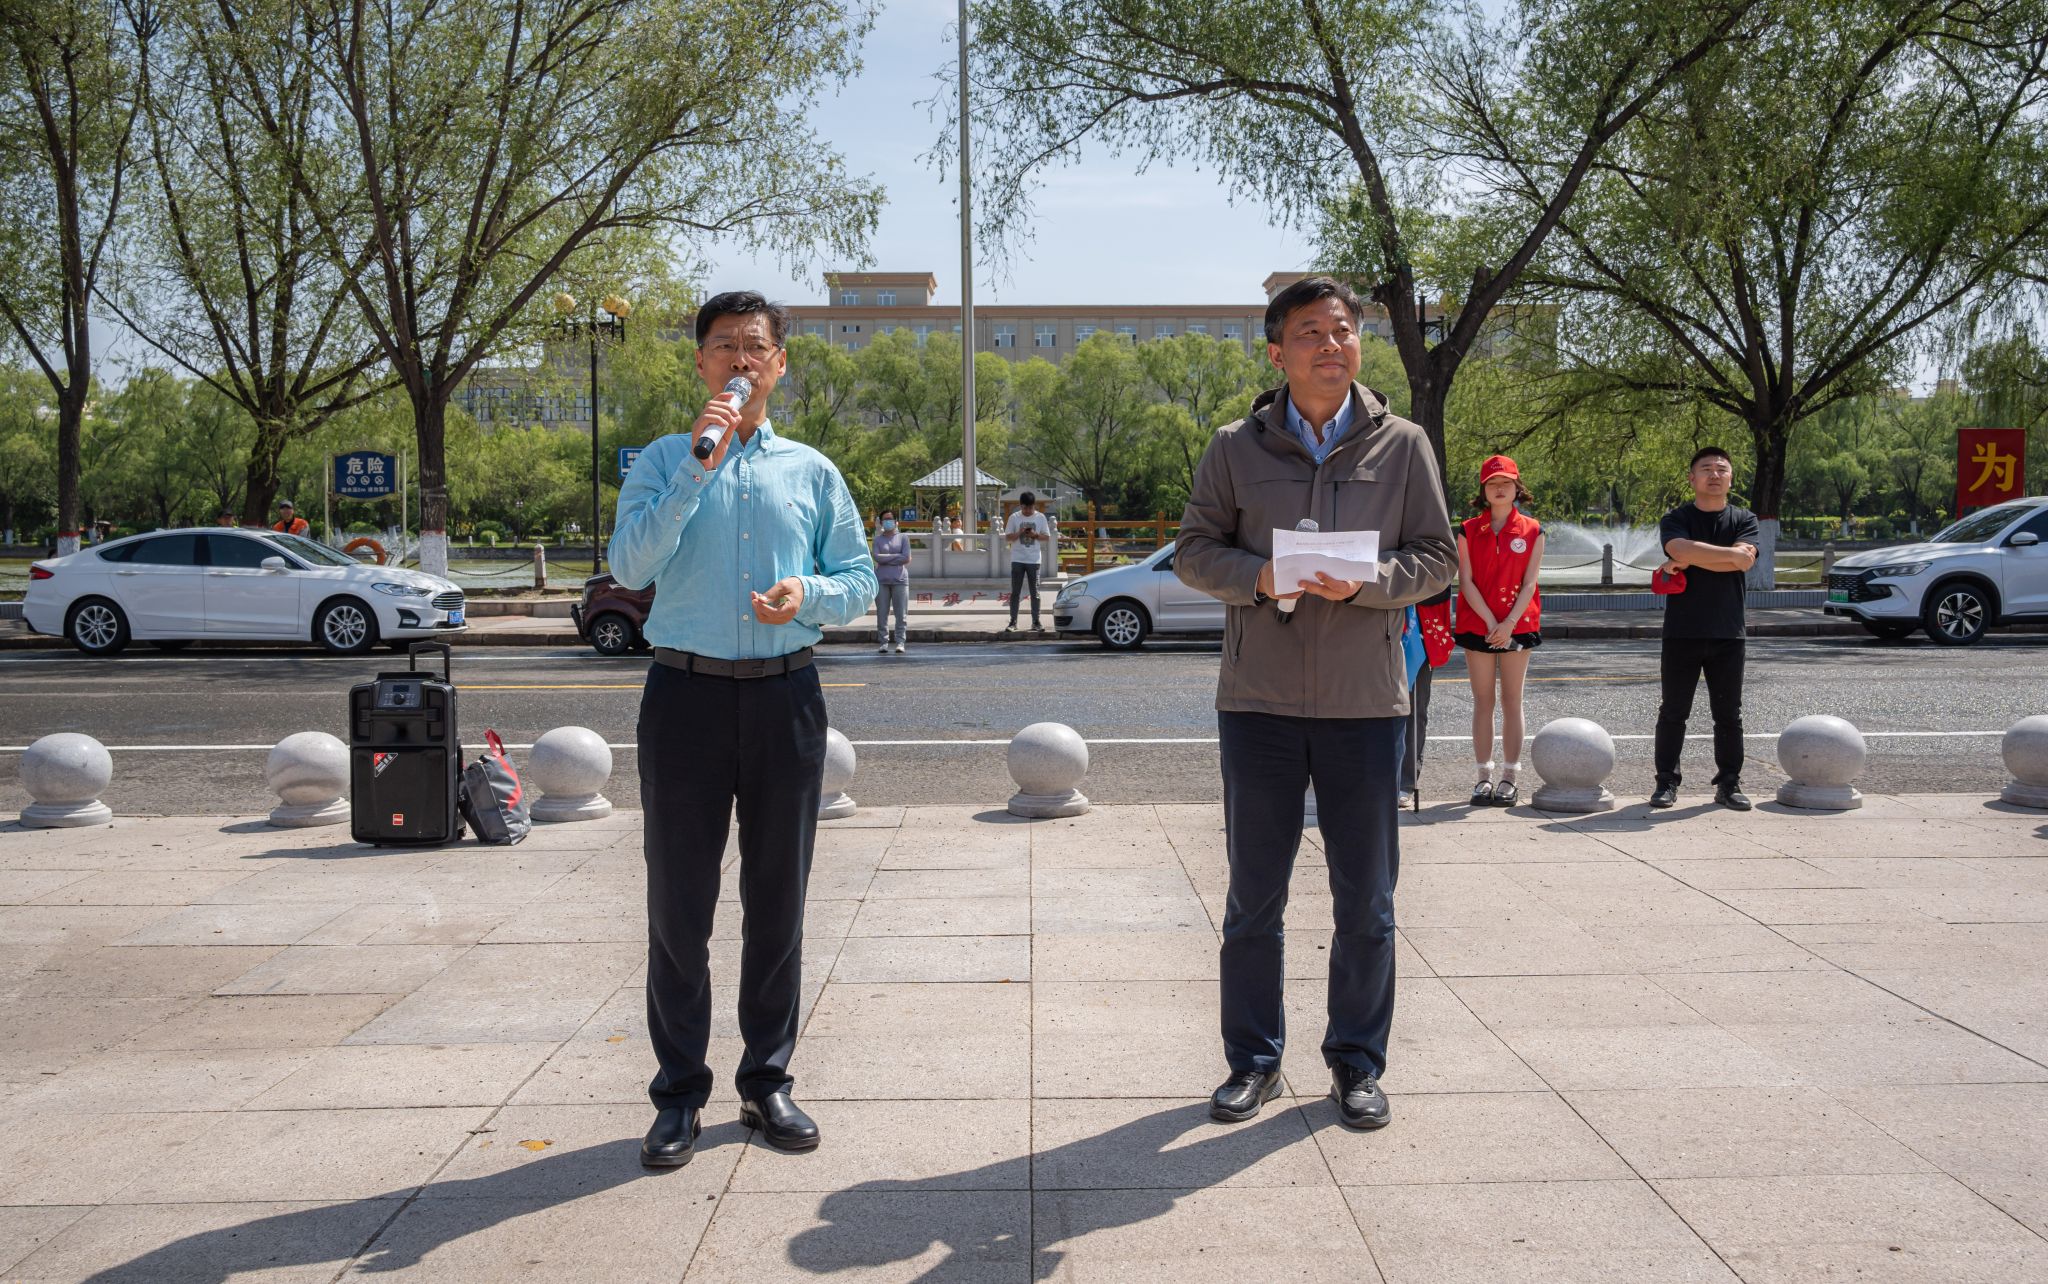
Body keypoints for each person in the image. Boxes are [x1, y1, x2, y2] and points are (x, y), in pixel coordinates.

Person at [1175, 275, 1454, 1132]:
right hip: (1257, 702)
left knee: (1366, 900)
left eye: (1343, 331)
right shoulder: (1235, 447)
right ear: (1277, 353)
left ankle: (1357, 1063)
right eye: (1310, 333)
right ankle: (1253, 1063)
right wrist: (1259, 576)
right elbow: (1193, 551)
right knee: (1253, 900)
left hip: (1365, 703)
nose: (1331, 345)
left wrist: (1369, 582)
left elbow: (1438, 558)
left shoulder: (1402, 445)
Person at [608, 290, 876, 1168]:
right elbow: (630, 565)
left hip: (784, 699)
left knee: (778, 902)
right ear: (700, 363)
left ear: (779, 364)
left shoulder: (812, 471)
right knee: (678, 908)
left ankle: (767, 1081)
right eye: (723, 346)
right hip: (683, 697)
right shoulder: (663, 459)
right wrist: (699, 465)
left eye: (755, 347)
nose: (739, 360)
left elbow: (859, 578)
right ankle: (679, 1093)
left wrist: (811, 595)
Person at [1652, 446, 1760, 810]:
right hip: (1682, 631)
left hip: (1729, 631)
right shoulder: (1676, 517)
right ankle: (1666, 782)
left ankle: (1729, 784)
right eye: (1706, 468)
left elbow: (1742, 561)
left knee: (1729, 714)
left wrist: (1693, 557)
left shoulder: (1744, 519)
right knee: (1673, 711)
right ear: (1692, 478)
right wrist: (1730, 556)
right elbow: (1678, 548)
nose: (1714, 474)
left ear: (1731, 478)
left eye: (1721, 469)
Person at [1453, 455, 1545, 807]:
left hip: (1518, 624)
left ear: (1517, 487)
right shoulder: (1467, 529)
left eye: (1506, 482)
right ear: (1484, 489)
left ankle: (1509, 776)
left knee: (1511, 700)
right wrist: (1492, 624)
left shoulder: (1533, 529)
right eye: (1492, 483)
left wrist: (1508, 624)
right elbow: (1465, 581)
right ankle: (1483, 776)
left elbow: (1530, 583)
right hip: (1479, 623)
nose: (1500, 488)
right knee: (1483, 701)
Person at [1004, 492, 1054, 632]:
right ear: (1020, 506)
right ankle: (1013, 622)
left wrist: (1035, 535)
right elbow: (1007, 538)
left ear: (1034, 506)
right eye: (1025, 508)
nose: (1027, 511)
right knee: (1015, 592)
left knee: (1035, 592)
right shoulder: (1014, 517)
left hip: (1034, 559)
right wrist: (1019, 532)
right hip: (1017, 559)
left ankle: (1036, 621)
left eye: (1030, 508)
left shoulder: (1040, 517)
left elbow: (1047, 537)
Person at [872, 507, 910, 654]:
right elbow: (877, 557)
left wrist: (886, 558)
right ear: (881, 522)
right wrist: (896, 556)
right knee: (882, 614)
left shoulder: (903, 538)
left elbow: (906, 558)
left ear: (896, 521)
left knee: (901, 614)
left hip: (900, 580)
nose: (888, 522)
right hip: (881, 580)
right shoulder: (877, 539)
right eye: (885, 519)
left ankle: (900, 642)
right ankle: (883, 642)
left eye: (890, 519)